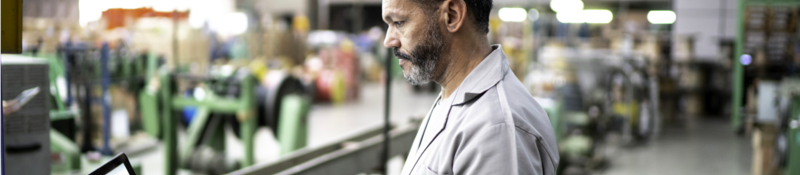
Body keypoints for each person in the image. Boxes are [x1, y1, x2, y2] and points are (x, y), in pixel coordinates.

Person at [382, 0, 559, 174]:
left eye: (399, 22)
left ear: (452, 15)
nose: (389, 41)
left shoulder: (497, 131)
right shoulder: (453, 95)